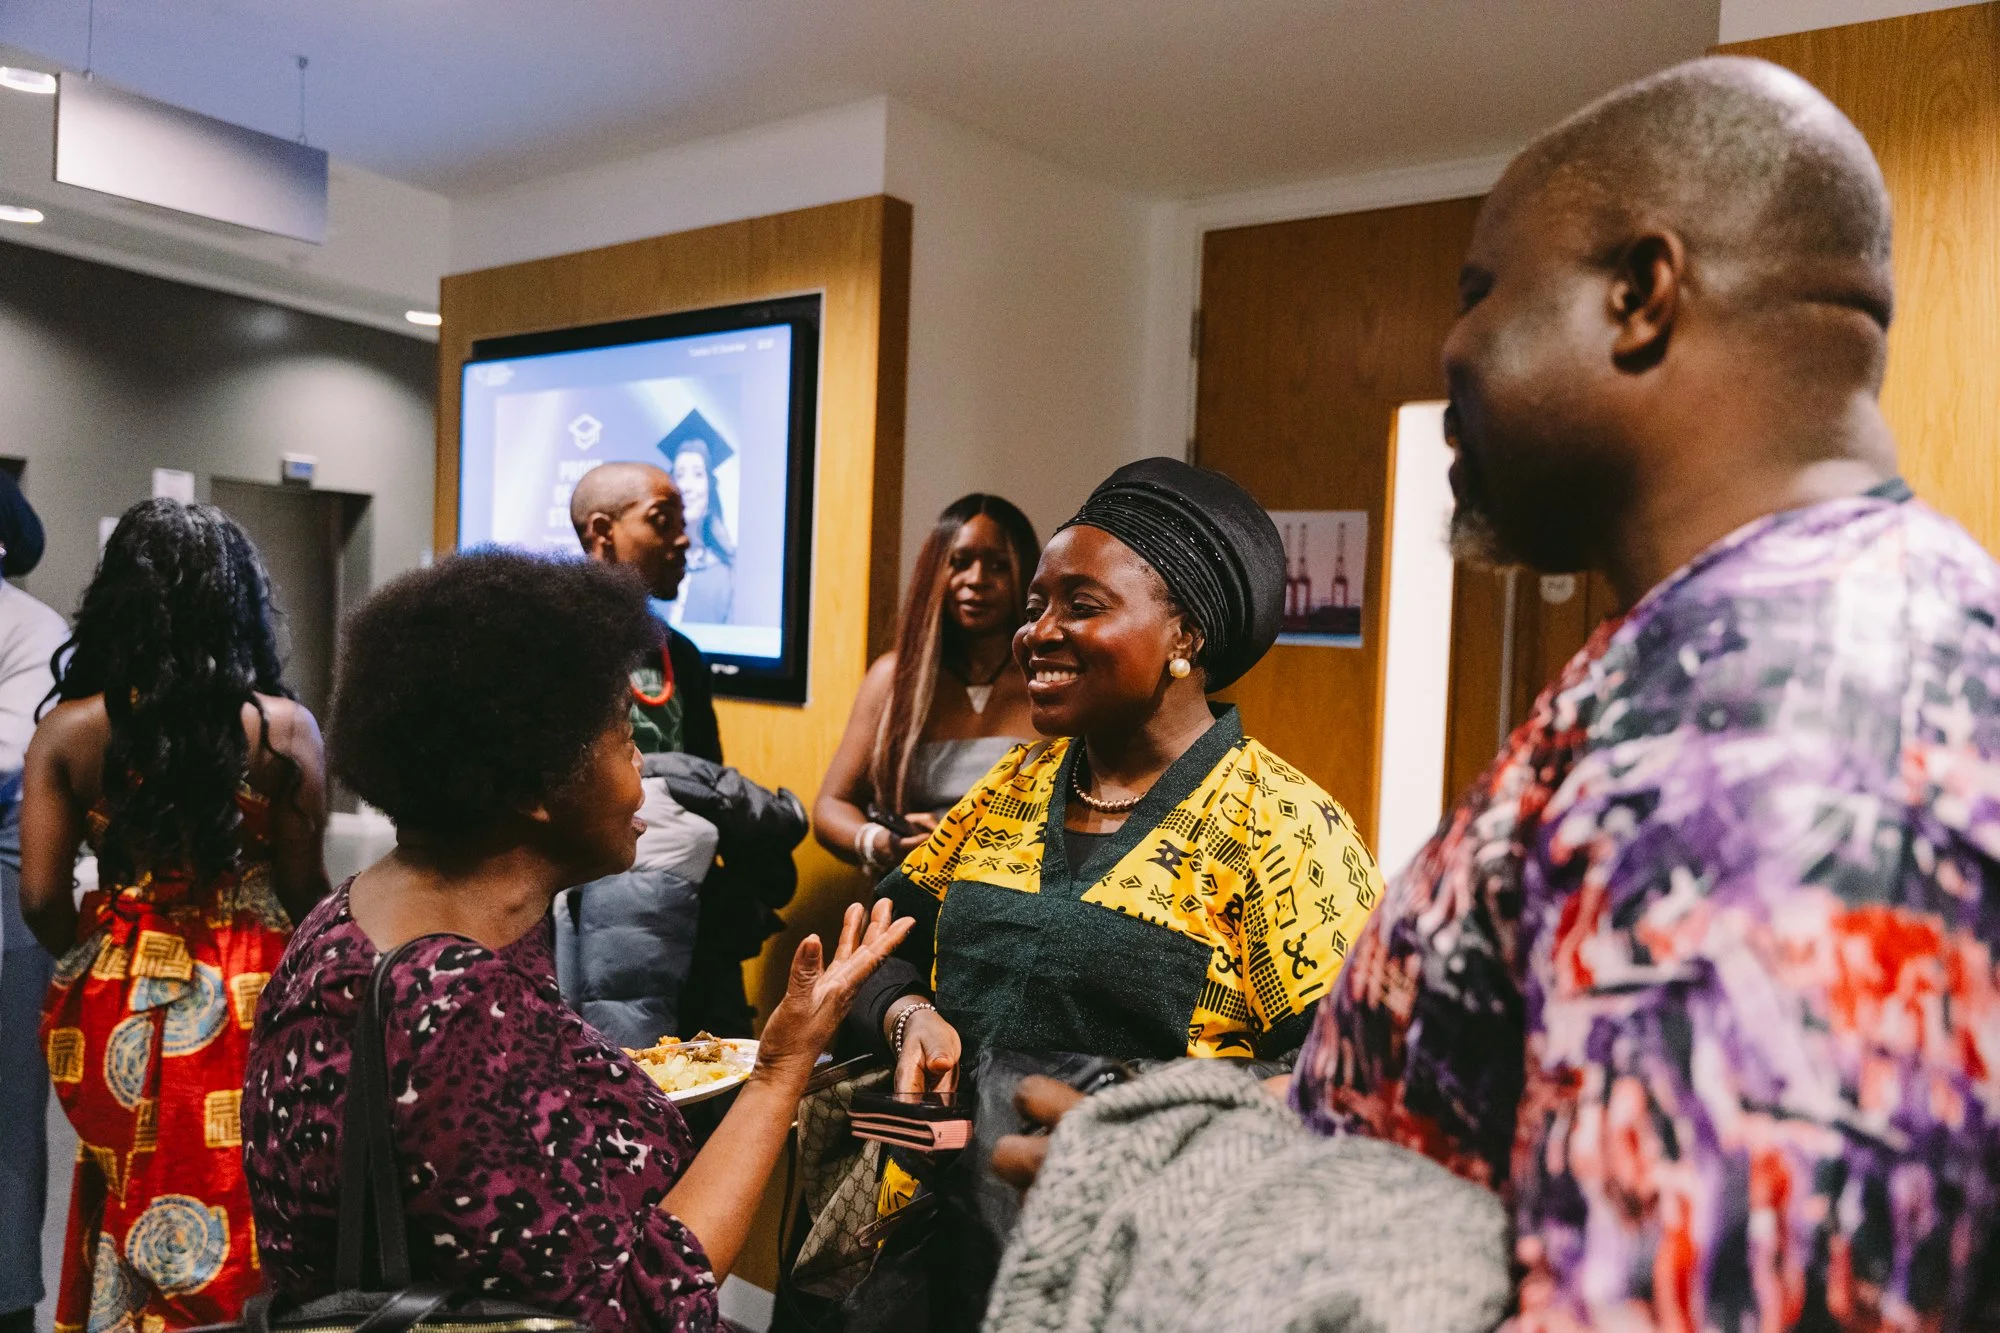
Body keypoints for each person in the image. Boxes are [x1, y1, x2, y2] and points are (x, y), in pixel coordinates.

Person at [1255, 57, 2000, 1332]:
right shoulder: (1723, 638)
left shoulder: (1785, 710)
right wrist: (1204, 1183)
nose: (1451, 349)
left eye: (1480, 291)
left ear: (1638, 295)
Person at [243, 549, 911, 1328]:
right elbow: (646, 1301)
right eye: (624, 736)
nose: (642, 766)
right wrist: (780, 1070)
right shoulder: (458, 1005)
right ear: (533, 785)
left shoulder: (352, 916)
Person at [21, 500, 329, 1332]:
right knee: (249, 1178)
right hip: (251, 981)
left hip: (119, 985)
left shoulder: (69, 733)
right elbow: (308, 891)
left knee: (126, 1180)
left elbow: (42, 897)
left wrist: (102, 953)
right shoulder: (284, 731)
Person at [568, 461, 804, 1041]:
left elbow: (709, 779)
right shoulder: (551, 641)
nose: (683, 539)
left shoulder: (682, 655)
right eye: (661, 521)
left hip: (683, 897)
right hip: (574, 898)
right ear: (603, 532)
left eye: (683, 521)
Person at [815, 494, 1040, 879]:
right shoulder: (894, 679)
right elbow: (830, 807)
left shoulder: (1048, 680)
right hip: (912, 896)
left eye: (999, 566)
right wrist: (881, 842)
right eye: (959, 562)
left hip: (1019, 902)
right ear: (934, 571)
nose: (977, 580)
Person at [0, 474, 68, 1333]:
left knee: (6, 1113)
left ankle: (8, 1294)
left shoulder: (32, 628)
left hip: (5, 896)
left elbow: (10, 752)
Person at [663, 420, 736, 625]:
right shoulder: (653, 568)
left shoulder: (728, 572)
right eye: (679, 475)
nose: (687, 486)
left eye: (697, 474)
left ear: (710, 487)